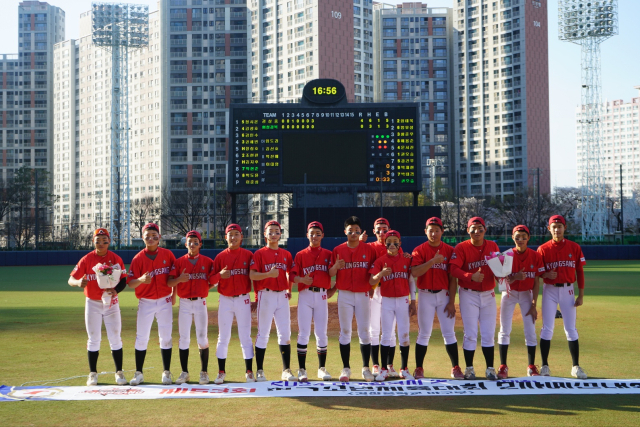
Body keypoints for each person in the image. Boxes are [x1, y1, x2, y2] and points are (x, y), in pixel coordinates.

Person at [68, 228, 127, 386]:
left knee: (115, 337)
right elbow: (71, 279)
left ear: (109, 241)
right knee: (94, 338)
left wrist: (116, 290)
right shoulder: (87, 259)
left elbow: (123, 279)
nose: (101, 243)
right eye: (98, 240)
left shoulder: (115, 259)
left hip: (111, 302)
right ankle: (92, 373)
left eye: (104, 240)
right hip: (92, 302)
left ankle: (119, 372)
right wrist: (78, 282)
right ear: (93, 241)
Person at [410, 217, 464, 380]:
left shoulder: (449, 250)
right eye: (430, 230)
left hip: (443, 295)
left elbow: (452, 279)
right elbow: (415, 272)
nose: (433, 233)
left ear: (442, 231)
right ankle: (419, 368)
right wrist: (433, 261)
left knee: (449, 333)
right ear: (425, 231)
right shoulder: (419, 250)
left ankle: (455, 367)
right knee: (424, 333)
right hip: (425, 294)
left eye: (437, 230)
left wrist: (451, 302)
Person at [537, 215, 588, 379]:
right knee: (547, 329)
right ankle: (545, 366)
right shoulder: (543, 249)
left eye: (560, 226)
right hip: (550, 290)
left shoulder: (574, 247)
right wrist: (545, 273)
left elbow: (580, 271)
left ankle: (575, 366)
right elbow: (537, 272)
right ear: (549, 229)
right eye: (554, 226)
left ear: (565, 228)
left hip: (568, 290)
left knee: (571, 329)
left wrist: (581, 294)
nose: (557, 229)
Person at [449, 217, 500, 380]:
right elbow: (453, 269)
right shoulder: (462, 247)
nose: (476, 231)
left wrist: (505, 279)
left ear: (485, 230)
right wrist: (470, 276)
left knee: (488, 333)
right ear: (467, 230)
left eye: (480, 228)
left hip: (488, 294)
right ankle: (469, 368)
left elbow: (499, 269)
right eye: (473, 228)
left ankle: (490, 369)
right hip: (468, 293)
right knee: (470, 333)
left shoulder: (492, 246)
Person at [328, 216, 377, 382]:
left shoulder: (369, 250)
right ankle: (346, 368)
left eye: (356, 230)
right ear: (345, 232)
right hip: (345, 295)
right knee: (345, 332)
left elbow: (374, 271)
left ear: (360, 231)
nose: (353, 233)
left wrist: (372, 288)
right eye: (350, 230)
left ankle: (365, 368)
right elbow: (331, 273)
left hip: (363, 294)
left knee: (365, 331)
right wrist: (336, 266)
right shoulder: (338, 250)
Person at [127, 223, 176, 386]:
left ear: (159, 237)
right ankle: (139, 373)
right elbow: (130, 283)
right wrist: (140, 280)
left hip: (164, 300)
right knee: (142, 337)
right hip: (146, 301)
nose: (151, 238)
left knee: (166, 337)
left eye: (154, 235)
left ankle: (166, 372)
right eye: (147, 236)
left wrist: (174, 294)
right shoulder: (138, 258)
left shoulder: (168, 255)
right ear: (143, 238)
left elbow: (174, 276)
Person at [209, 224, 256, 383]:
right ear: (226, 237)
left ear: (241, 237)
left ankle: (249, 371)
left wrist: (256, 296)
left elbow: (254, 277)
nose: (234, 237)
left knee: (245, 336)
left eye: (237, 234)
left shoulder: (249, 255)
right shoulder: (220, 257)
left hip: (243, 299)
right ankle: (221, 371)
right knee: (223, 336)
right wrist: (220, 276)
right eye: (231, 234)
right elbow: (210, 280)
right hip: (226, 300)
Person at [497, 225, 545, 378]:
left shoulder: (536, 256)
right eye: (517, 237)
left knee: (530, 330)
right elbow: (501, 281)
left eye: (524, 237)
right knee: (504, 330)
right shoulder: (506, 255)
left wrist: (533, 304)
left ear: (528, 238)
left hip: (526, 294)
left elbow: (536, 282)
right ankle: (503, 366)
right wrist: (514, 277)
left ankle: (531, 366)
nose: (521, 240)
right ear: (513, 238)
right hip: (509, 293)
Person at [168, 230, 214, 385]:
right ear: (185, 243)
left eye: (196, 241)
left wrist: (206, 287)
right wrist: (179, 279)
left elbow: (213, 280)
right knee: (184, 338)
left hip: (200, 302)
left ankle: (204, 372)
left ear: (200, 244)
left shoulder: (207, 261)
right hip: (185, 303)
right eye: (190, 241)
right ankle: (184, 372)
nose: (192, 244)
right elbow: (169, 282)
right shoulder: (179, 261)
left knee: (202, 337)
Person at [249, 220, 294, 382]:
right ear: (265, 234)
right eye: (270, 231)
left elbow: (290, 273)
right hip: (265, 295)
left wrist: (288, 289)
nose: (274, 234)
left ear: (280, 234)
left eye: (277, 231)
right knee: (263, 333)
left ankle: (286, 370)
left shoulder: (286, 254)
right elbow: (252, 275)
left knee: (285, 334)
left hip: (281, 296)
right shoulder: (259, 254)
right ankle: (260, 370)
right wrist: (268, 275)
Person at [368, 230, 416, 381]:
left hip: (403, 300)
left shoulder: (407, 259)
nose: (392, 244)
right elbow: (371, 281)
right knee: (386, 335)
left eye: (396, 241)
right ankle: (383, 369)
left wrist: (413, 300)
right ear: (385, 243)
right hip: (387, 300)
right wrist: (380, 274)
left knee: (404, 335)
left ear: (400, 243)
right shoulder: (381, 260)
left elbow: (411, 281)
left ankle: (404, 368)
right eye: (389, 241)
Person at [290, 221, 333, 382]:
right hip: (306, 295)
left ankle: (321, 368)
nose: (314, 236)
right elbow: (292, 276)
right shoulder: (300, 255)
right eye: (312, 233)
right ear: (307, 235)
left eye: (318, 233)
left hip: (321, 295)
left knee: (321, 332)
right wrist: (302, 278)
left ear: (322, 235)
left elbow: (336, 272)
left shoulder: (329, 254)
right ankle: (302, 369)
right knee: (304, 332)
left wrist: (333, 290)